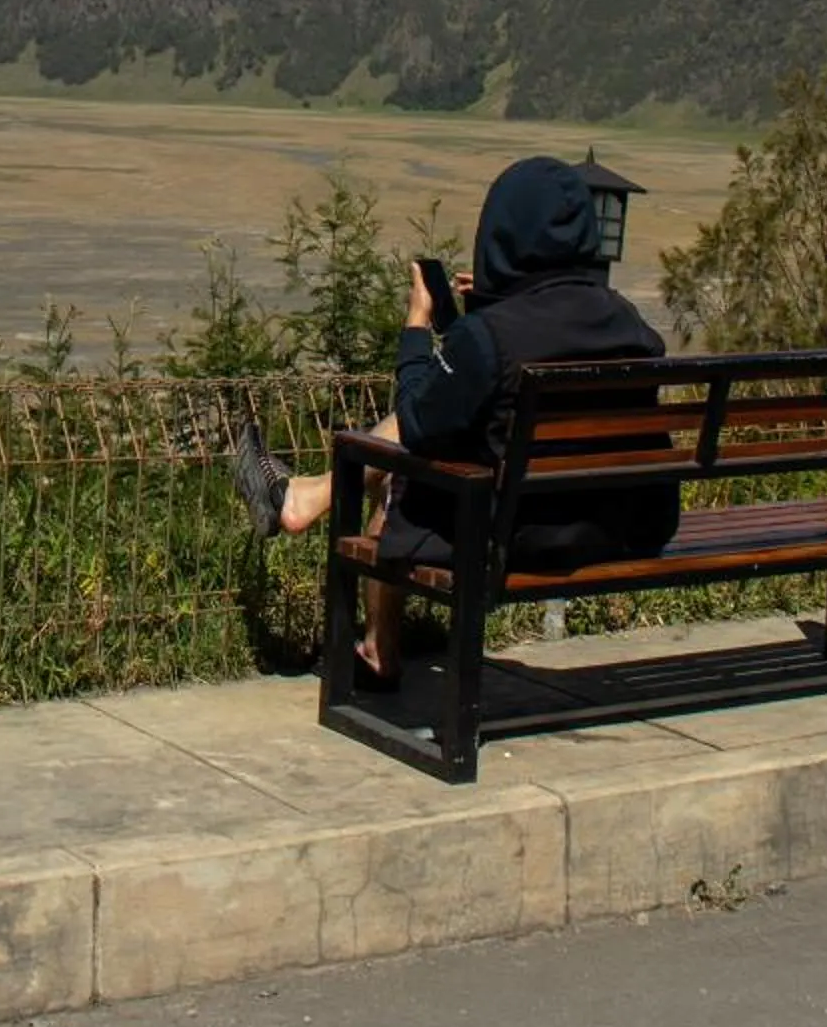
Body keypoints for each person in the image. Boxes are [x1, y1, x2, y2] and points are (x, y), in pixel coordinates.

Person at [231, 155, 679, 688]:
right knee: (425, 465)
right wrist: (487, 313)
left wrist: (418, 327)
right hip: (616, 529)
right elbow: (539, 333)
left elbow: (420, 417)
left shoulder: (492, 337)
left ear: (502, 233)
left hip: (515, 536)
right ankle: (304, 498)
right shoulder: (630, 323)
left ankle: (373, 645)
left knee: (400, 480)